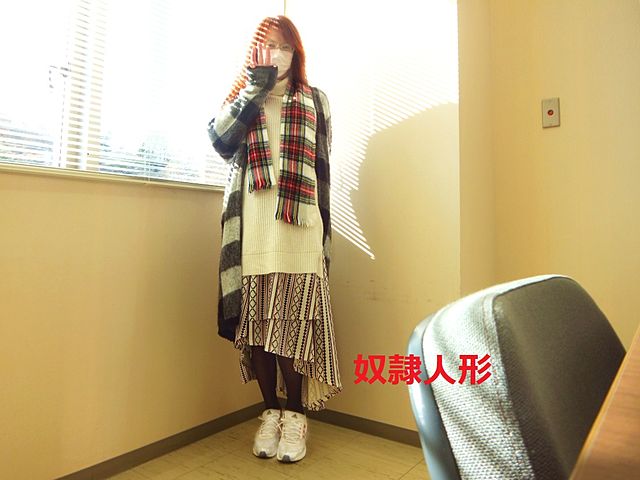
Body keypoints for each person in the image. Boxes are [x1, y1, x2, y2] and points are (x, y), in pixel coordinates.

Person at [207, 15, 342, 463]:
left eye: (285, 46)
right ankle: (270, 412)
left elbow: (322, 168)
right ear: (256, 53)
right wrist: (254, 87)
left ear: (296, 53)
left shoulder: (316, 101)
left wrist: (324, 233)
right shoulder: (244, 97)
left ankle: (296, 416)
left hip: (301, 228)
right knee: (259, 327)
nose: (278, 53)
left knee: (293, 325)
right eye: (270, 45)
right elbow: (220, 142)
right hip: (254, 227)